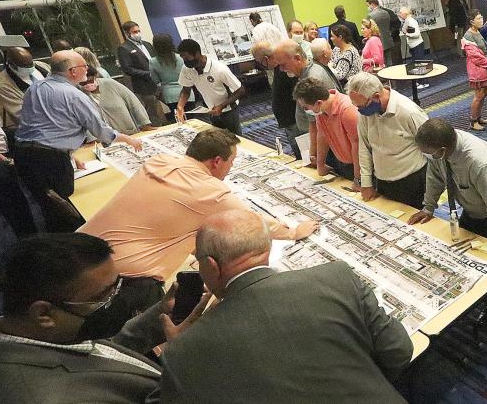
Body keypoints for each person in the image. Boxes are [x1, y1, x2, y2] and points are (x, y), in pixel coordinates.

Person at [78, 128, 315, 336]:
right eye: (232, 161)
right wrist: (294, 232)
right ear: (216, 161)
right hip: (119, 281)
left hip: (81, 250)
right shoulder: (210, 192)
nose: (231, 168)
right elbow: (251, 222)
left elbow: (169, 213)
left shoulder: (158, 162)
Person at [158, 210, 412, 403]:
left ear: (212, 266)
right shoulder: (336, 277)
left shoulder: (183, 352)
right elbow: (398, 350)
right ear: (266, 248)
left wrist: (180, 348)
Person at [0, 232, 207, 404]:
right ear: (43, 314)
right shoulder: (43, 396)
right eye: (103, 297)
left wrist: (159, 316)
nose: (115, 300)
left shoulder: (31, 333)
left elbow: (94, 357)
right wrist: (181, 360)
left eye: (116, 287)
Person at [13, 50, 142, 229]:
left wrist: (68, 153)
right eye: (84, 66)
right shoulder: (74, 95)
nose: (87, 70)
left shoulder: (36, 87)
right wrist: (128, 139)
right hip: (48, 160)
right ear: (73, 71)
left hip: (23, 153)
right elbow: (100, 130)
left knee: (48, 204)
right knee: (67, 207)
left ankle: (59, 239)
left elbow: (41, 127)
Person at [409, 118, 487, 276]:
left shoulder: (479, 161)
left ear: (442, 149)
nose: (426, 156)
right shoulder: (440, 152)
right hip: (474, 205)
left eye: (428, 153)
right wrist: (428, 207)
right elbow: (434, 178)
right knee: (465, 249)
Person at [346, 72, 428, 209]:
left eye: (361, 106)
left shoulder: (409, 112)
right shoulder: (365, 111)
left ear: (376, 97)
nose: (359, 111)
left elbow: (433, 147)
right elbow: (364, 147)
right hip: (383, 181)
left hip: (412, 182)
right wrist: (366, 182)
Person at [0, 66, 36, 237]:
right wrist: (3, 159)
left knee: (19, 200)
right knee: (10, 204)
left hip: (2, 154)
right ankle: (27, 242)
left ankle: (33, 236)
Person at [268, 39, 341, 157]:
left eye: (283, 64)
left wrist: (313, 155)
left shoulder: (311, 79)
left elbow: (316, 125)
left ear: (297, 58)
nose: (281, 69)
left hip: (325, 142)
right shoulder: (310, 70)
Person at [294, 78, 360, 184]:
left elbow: (358, 146)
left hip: (359, 165)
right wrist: (320, 165)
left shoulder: (347, 110)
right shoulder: (321, 110)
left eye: (306, 107)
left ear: (318, 103)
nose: (306, 111)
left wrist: (358, 179)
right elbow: (322, 136)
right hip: (343, 162)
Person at [175, 38, 245, 135]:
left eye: (187, 58)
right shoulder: (187, 69)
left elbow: (240, 90)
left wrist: (221, 106)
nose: (185, 61)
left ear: (197, 53)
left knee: (234, 137)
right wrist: (180, 106)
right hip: (211, 109)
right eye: (182, 58)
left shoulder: (219, 69)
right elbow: (186, 89)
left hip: (228, 108)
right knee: (217, 136)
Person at [80, 66, 153, 135]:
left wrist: (145, 123)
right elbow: (83, 119)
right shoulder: (79, 94)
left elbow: (133, 102)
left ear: (95, 77)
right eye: (83, 83)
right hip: (103, 138)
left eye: (90, 81)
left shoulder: (110, 84)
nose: (88, 85)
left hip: (127, 132)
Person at [0, 47, 50, 130]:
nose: (30, 67)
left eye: (31, 64)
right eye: (25, 66)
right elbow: (23, 115)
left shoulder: (41, 66)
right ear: (11, 64)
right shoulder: (3, 84)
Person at [116, 21, 161, 127]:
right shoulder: (124, 48)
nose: (138, 33)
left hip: (159, 82)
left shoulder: (147, 44)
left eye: (138, 31)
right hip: (144, 84)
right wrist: (147, 74)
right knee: (152, 112)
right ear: (127, 34)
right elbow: (127, 69)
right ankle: (156, 129)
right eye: (134, 32)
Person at [462, 9, 487, 131]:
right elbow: (476, 56)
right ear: (472, 21)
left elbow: (484, 48)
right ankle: (473, 121)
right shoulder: (468, 36)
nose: (481, 20)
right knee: (478, 96)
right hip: (477, 70)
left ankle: (478, 116)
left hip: (484, 68)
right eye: (479, 18)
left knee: (484, 93)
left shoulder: (477, 32)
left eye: (481, 17)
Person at [150, 33, 193, 123]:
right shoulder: (181, 58)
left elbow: (155, 80)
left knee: (179, 120)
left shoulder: (153, 61)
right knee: (192, 119)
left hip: (169, 95)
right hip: (187, 92)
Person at [366, 0, 397, 66]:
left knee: (381, 63)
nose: (368, 8)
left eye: (368, 6)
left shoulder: (370, 15)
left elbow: (368, 29)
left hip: (377, 41)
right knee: (389, 62)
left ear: (373, 5)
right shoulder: (386, 13)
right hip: (388, 40)